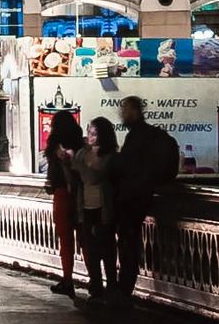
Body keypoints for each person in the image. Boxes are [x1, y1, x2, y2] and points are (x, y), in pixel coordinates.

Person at [113, 96, 182, 301]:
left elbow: (127, 167)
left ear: (134, 110)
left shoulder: (138, 137)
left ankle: (124, 287)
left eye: (125, 110)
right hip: (141, 195)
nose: (122, 114)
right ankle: (124, 286)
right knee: (128, 241)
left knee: (128, 242)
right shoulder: (150, 135)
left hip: (133, 197)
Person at [75, 118, 121, 311]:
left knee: (108, 251)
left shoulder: (110, 157)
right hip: (85, 207)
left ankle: (111, 287)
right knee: (91, 251)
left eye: (94, 133)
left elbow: (92, 177)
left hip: (104, 208)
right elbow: (76, 176)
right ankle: (96, 287)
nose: (90, 137)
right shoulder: (82, 153)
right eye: (89, 132)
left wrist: (80, 164)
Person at [42, 106, 87, 293]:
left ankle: (67, 278)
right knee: (85, 239)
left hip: (62, 193)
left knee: (65, 239)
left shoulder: (56, 147)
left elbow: (54, 174)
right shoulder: (81, 146)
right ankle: (95, 280)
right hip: (82, 194)